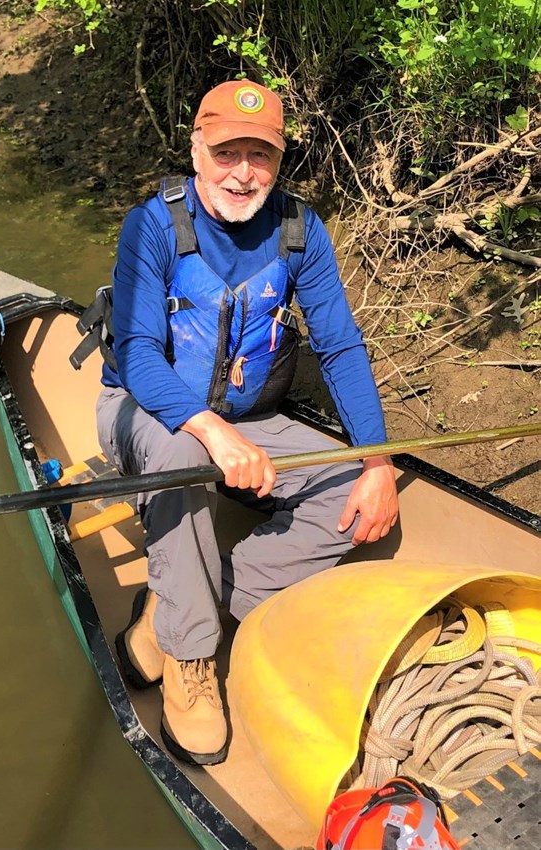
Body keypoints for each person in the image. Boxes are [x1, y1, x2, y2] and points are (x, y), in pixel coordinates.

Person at [95, 80, 398, 767]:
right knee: (181, 460)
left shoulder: (300, 230)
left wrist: (378, 462)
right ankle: (191, 662)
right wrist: (210, 429)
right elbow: (139, 354)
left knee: (351, 496)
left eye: (258, 155)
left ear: (279, 160)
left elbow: (342, 346)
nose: (242, 172)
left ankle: (172, 612)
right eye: (227, 150)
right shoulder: (152, 225)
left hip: (252, 417)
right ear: (197, 149)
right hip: (145, 413)